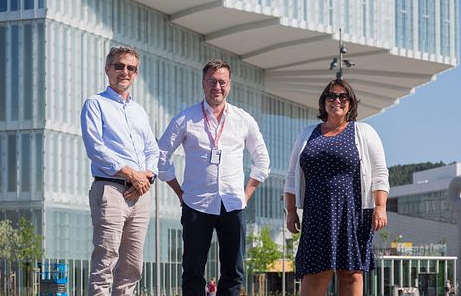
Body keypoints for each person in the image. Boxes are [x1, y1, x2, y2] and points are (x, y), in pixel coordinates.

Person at [158, 59, 270, 296]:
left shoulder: (243, 119)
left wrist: (246, 195)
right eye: (212, 81)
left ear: (229, 85)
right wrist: (180, 192)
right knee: (192, 270)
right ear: (203, 83)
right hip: (196, 204)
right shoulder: (186, 119)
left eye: (222, 82)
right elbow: (160, 157)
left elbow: (262, 162)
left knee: (234, 271)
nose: (217, 87)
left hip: (233, 204)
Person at [284, 78, 390, 296]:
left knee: (350, 273)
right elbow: (292, 174)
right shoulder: (307, 133)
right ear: (324, 102)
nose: (337, 101)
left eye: (343, 96)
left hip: (353, 213)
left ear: (350, 102)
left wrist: (380, 206)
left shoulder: (363, 132)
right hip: (316, 214)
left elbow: (380, 172)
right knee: (314, 273)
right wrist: (291, 211)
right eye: (331, 96)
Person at [81, 46, 159, 296]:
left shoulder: (139, 111)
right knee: (106, 259)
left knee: (132, 266)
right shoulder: (95, 104)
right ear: (107, 69)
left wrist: (146, 177)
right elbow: (96, 148)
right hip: (110, 190)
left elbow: (152, 150)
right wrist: (131, 174)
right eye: (119, 66)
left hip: (140, 193)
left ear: (136, 74)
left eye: (131, 68)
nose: (124, 72)